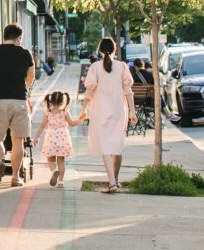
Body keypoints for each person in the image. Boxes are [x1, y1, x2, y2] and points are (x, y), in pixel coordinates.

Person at [83, 38, 136, 193]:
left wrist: (83, 109)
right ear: (115, 49)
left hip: (100, 110)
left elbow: (89, 91)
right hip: (119, 110)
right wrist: (132, 111)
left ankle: (112, 183)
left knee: (106, 146)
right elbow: (128, 91)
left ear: (100, 50)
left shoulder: (95, 67)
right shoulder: (122, 67)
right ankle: (115, 180)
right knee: (117, 146)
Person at [0, 24, 35, 187]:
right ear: (19, 38)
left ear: (4, 36)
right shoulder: (26, 54)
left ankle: (0, 162)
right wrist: (22, 90)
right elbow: (30, 78)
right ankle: (15, 177)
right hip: (19, 100)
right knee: (18, 140)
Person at [32, 91, 86, 188]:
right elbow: (72, 123)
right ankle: (60, 181)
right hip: (63, 139)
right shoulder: (65, 113)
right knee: (61, 161)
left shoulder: (48, 112)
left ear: (51, 102)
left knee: (50, 159)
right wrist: (81, 119)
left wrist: (37, 137)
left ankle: (54, 171)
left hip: (51, 138)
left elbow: (42, 126)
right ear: (63, 102)